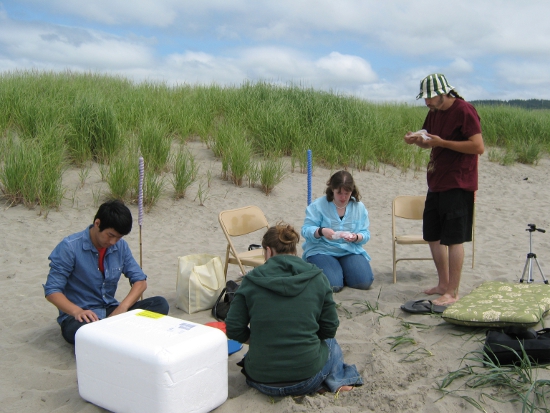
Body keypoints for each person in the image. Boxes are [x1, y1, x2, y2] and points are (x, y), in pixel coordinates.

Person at [225, 223, 363, 397]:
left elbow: (233, 328)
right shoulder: (317, 277)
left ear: (268, 251)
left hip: (260, 380)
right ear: (294, 251)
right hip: (307, 379)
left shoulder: (251, 281)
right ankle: (338, 381)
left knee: (263, 348)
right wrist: (305, 339)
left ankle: (322, 380)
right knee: (330, 343)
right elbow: (329, 328)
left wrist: (255, 340)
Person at [404, 73, 484, 306]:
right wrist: (414, 139)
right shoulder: (434, 112)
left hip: (459, 181)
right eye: (424, 98)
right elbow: (428, 139)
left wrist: (443, 143)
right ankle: (442, 283)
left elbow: (478, 147)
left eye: (429, 97)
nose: (426, 102)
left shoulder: (464, 110)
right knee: (433, 234)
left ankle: (453, 292)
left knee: (454, 238)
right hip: (436, 180)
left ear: (443, 93)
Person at [43, 200, 169, 345]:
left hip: (111, 311)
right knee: (77, 331)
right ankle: (118, 334)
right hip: (82, 317)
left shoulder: (120, 246)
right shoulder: (69, 247)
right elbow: (52, 291)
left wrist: (122, 307)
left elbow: (140, 282)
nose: (113, 242)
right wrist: (77, 311)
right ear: (97, 223)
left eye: (119, 237)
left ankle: (110, 335)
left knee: (160, 304)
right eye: (110, 235)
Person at [301, 170, 374, 292]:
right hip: (322, 250)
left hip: (349, 250)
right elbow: (306, 230)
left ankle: (340, 271)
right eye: (339, 193)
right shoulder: (318, 205)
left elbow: (365, 234)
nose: (343, 197)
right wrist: (321, 231)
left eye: (347, 193)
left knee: (364, 282)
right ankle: (332, 272)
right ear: (332, 189)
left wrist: (356, 237)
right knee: (334, 285)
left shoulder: (359, 207)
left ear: (352, 191)